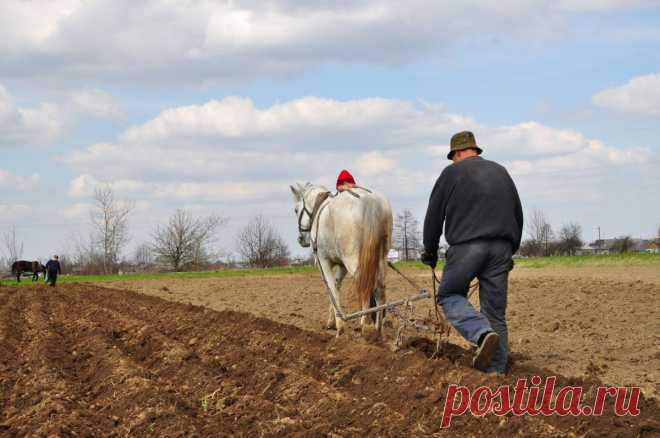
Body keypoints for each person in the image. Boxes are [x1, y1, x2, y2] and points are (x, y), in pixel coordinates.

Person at [421, 131, 523, 374]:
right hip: (502, 248)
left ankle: (480, 332)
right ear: (475, 150)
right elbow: (518, 213)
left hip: (468, 246)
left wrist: (430, 251)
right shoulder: (501, 171)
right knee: (495, 312)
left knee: (449, 295)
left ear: (457, 153)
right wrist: (510, 250)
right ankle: (496, 371)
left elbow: (434, 216)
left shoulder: (451, 173)